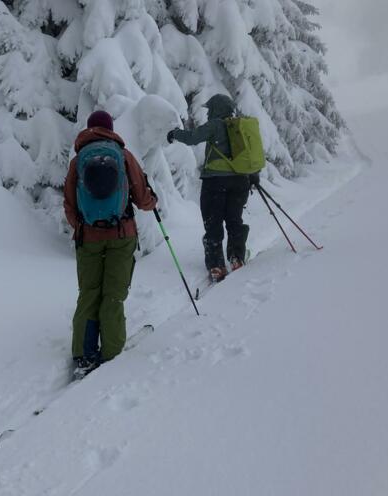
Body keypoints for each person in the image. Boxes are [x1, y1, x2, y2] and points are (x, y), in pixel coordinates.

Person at [64, 110, 158, 379]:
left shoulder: (77, 161)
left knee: (89, 293)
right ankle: (112, 353)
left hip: (88, 238)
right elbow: (142, 199)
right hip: (121, 235)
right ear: (110, 128)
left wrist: (85, 227)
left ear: (89, 129)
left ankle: (84, 354)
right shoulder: (124, 156)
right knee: (113, 294)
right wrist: (153, 201)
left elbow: (69, 204)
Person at [167, 94, 260, 283]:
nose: (208, 112)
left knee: (213, 223)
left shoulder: (215, 125)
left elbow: (193, 138)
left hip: (215, 182)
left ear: (216, 109)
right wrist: (253, 176)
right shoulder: (240, 126)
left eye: (210, 109)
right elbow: (250, 155)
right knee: (234, 220)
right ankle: (236, 257)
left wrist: (174, 133)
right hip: (240, 181)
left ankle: (216, 265)